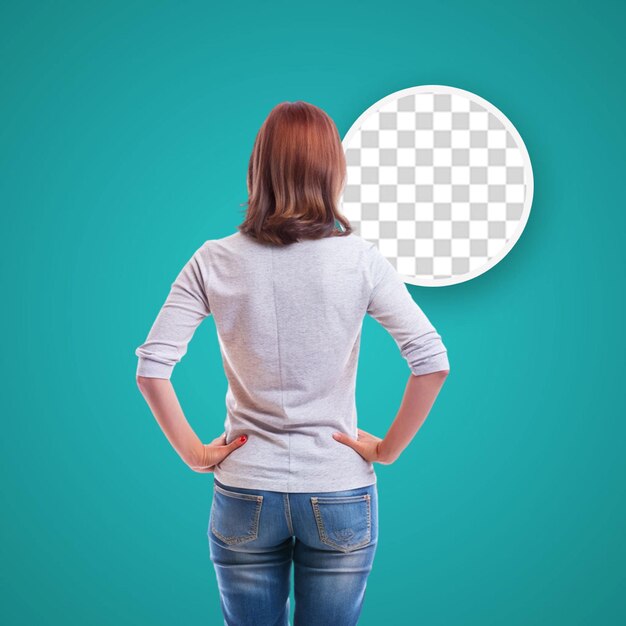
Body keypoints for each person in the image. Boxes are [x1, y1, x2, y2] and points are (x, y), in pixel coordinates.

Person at [135, 101, 450, 626]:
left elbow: (152, 369)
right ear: (333, 172)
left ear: (257, 169)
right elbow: (432, 362)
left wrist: (194, 453)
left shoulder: (213, 259)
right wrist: (387, 450)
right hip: (339, 489)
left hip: (244, 489)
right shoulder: (360, 260)